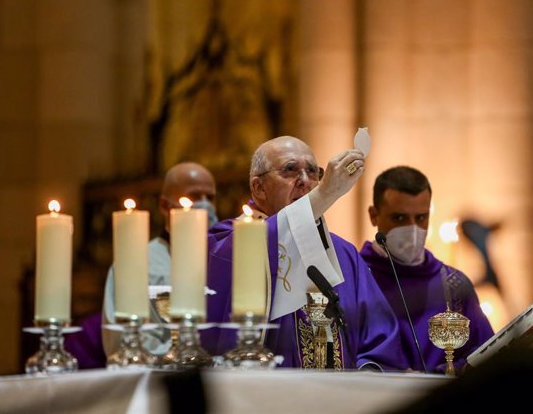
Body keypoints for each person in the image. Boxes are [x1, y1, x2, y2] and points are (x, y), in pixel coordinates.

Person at [203, 136, 409, 370]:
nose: (305, 181)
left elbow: (379, 339)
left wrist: (365, 379)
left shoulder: (345, 254)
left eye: (313, 172)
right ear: (258, 187)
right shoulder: (229, 243)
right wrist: (324, 195)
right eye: (290, 170)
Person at [65, 162, 218, 367]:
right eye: (194, 197)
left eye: (210, 198)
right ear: (165, 206)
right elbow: (121, 342)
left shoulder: (224, 258)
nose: (204, 205)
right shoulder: (138, 263)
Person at [359, 166, 494, 373]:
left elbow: (485, 353)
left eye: (421, 218)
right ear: (374, 215)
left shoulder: (454, 284)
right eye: (400, 218)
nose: (413, 229)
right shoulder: (355, 277)